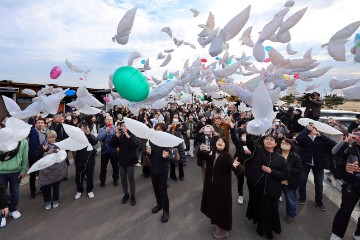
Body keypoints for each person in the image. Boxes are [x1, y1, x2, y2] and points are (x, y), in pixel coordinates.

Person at [245, 134, 289, 239]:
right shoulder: (259, 151)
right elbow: (250, 143)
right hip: (258, 188)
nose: (268, 141)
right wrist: (249, 133)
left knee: (270, 211)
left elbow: (285, 175)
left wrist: (271, 171)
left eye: (271, 140)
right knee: (260, 208)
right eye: (267, 139)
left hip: (272, 190)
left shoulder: (281, 159)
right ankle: (260, 228)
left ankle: (269, 231)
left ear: (276, 144)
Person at [198, 137, 235, 239]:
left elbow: (237, 169)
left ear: (226, 145)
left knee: (221, 209)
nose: (220, 142)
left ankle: (220, 232)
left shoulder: (227, 156)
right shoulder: (212, 153)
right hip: (211, 188)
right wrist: (200, 149)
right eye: (218, 140)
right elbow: (201, 156)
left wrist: (237, 166)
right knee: (214, 207)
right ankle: (220, 230)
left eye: (223, 141)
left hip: (222, 190)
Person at [296, 124, 336, 211]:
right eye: (309, 128)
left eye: (313, 128)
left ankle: (319, 202)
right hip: (306, 163)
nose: (311, 130)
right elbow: (298, 139)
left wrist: (320, 135)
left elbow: (333, 144)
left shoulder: (321, 138)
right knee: (302, 180)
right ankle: (302, 197)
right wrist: (306, 130)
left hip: (319, 165)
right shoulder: (304, 137)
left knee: (319, 183)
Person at [330, 128, 360, 240]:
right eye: (357, 134)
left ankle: (358, 234)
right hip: (350, 185)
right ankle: (336, 233)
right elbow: (335, 153)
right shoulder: (350, 147)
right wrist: (347, 140)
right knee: (345, 211)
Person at [147, 122, 174, 223]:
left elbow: (172, 159)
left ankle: (166, 211)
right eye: (156, 129)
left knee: (163, 191)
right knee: (155, 189)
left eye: (160, 129)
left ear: (163, 131)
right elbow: (147, 154)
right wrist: (147, 152)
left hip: (162, 170)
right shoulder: (152, 141)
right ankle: (159, 205)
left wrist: (167, 156)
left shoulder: (166, 142)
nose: (158, 131)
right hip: (153, 169)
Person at [109, 121, 140, 206]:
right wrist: (116, 136)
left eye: (125, 126)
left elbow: (136, 145)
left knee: (131, 179)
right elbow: (111, 144)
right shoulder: (119, 136)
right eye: (122, 126)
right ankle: (126, 194)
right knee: (123, 179)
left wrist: (127, 135)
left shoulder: (132, 135)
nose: (123, 127)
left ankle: (133, 195)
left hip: (130, 161)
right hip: (122, 161)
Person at [0, 137, 28, 227]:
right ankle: (2, 214)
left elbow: (25, 155)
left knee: (15, 191)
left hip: (16, 171)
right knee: (1, 193)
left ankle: (13, 209)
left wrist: (24, 170)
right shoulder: (2, 138)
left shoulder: (23, 141)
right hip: (1, 171)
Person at [37, 130, 68, 210]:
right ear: (47, 137)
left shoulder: (59, 144)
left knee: (56, 186)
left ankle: (55, 200)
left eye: (53, 137)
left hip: (56, 168)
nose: (51, 139)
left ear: (56, 137)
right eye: (49, 137)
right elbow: (38, 156)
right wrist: (45, 151)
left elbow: (64, 155)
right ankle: (47, 202)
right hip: (45, 170)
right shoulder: (44, 145)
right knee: (46, 186)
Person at [278, 139, 302, 224]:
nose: (284, 144)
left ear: (291, 146)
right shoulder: (276, 153)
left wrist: (287, 169)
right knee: (274, 197)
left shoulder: (296, 157)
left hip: (289, 182)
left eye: (286, 143)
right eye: (283, 143)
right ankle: (274, 211)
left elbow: (298, 170)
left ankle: (291, 216)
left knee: (291, 200)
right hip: (276, 180)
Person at [229, 121, 251, 205]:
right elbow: (233, 136)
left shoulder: (251, 144)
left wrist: (250, 153)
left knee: (250, 182)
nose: (244, 137)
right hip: (240, 166)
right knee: (240, 181)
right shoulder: (238, 144)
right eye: (242, 135)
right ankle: (240, 195)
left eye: (245, 135)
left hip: (249, 166)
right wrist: (231, 127)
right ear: (240, 136)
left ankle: (252, 196)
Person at [74, 123, 98, 200]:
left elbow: (95, 141)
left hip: (90, 161)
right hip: (79, 161)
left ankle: (89, 190)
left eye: (86, 127)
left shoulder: (90, 136)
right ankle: (79, 190)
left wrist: (88, 134)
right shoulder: (76, 137)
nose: (84, 129)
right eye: (82, 127)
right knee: (79, 177)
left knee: (90, 177)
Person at [27, 117, 47, 199]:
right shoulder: (32, 131)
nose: (40, 124)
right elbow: (29, 123)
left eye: (42, 122)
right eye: (38, 122)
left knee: (42, 173)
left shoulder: (46, 132)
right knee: (33, 174)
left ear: (44, 124)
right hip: (33, 156)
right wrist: (32, 116)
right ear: (35, 123)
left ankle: (42, 188)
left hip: (42, 156)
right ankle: (33, 191)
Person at [97, 116, 119, 187]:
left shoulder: (115, 128)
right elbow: (99, 138)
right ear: (105, 121)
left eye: (110, 120)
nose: (109, 121)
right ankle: (102, 181)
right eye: (108, 119)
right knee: (103, 167)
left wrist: (115, 133)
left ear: (112, 121)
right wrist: (105, 132)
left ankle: (115, 180)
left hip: (113, 151)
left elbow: (118, 138)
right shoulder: (101, 129)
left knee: (115, 167)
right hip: (104, 151)